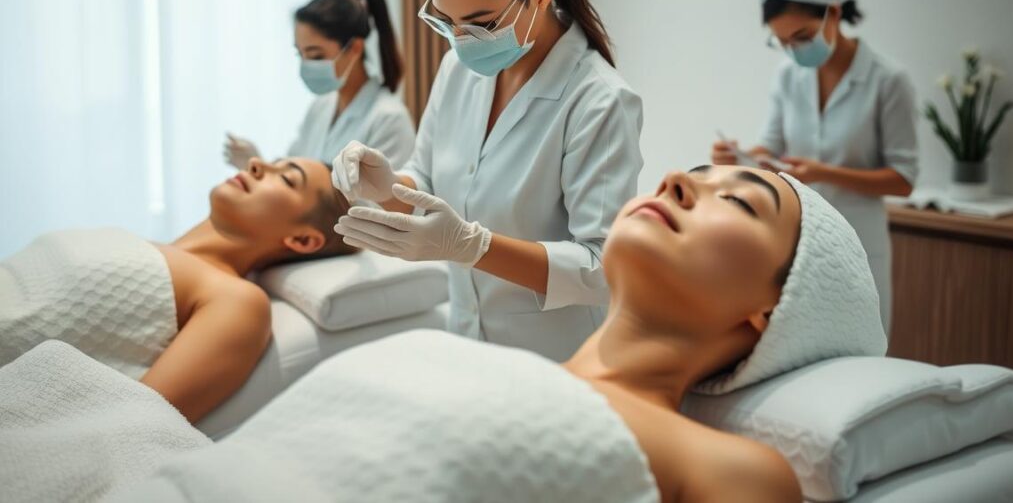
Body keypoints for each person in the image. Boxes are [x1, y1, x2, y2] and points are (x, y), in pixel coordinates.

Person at [104, 165, 885, 503]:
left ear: (770, 312)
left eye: (739, 204)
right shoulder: (471, 363)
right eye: (693, 174)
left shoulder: (727, 465)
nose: (678, 180)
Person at [331, 0, 644, 361]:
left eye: (479, 22)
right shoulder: (458, 69)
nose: (459, 40)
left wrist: (471, 247)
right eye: (446, 20)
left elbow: (601, 266)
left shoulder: (599, 100)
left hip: (560, 361)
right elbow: (428, 183)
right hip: (468, 346)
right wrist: (386, 186)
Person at [0, 156, 355, 423]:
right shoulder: (139, 244)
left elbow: (134, 421)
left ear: (304, 239)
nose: (257, 163)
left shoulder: (235, 299)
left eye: (288, 178)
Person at [711, 0, 917, 331]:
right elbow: (770, 148)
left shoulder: (889, 80)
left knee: (860, 356)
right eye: (783, 42)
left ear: (833, 14)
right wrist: (738, 158)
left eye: (802, 37)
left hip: (860, 245)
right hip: (799, 242)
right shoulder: (789, 75)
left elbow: (903, 179)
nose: (794, 50)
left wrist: (825, 173)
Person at [224, 0, 415, 168]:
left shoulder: (389, 119)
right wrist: (258, 166)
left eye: (316, 55)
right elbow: (292, 175)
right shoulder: (321, 107)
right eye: (301, 54)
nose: (306, 65)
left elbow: (383, 198)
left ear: (355, 48)